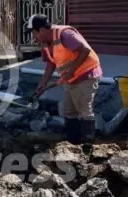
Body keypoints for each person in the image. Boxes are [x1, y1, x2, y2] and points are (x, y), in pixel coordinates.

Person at [25, 14, 102, 144]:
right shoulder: (45, 42)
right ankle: (73, 143)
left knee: (84, 110)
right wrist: (43, 83)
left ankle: (88, 145)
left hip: (86, 74)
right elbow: (51, 62)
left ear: (42, 30)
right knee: (69, 111)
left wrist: (70, 72)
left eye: (34, 33)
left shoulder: (65, 34)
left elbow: (85, 50)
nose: (34, 37)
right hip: (70, 78)